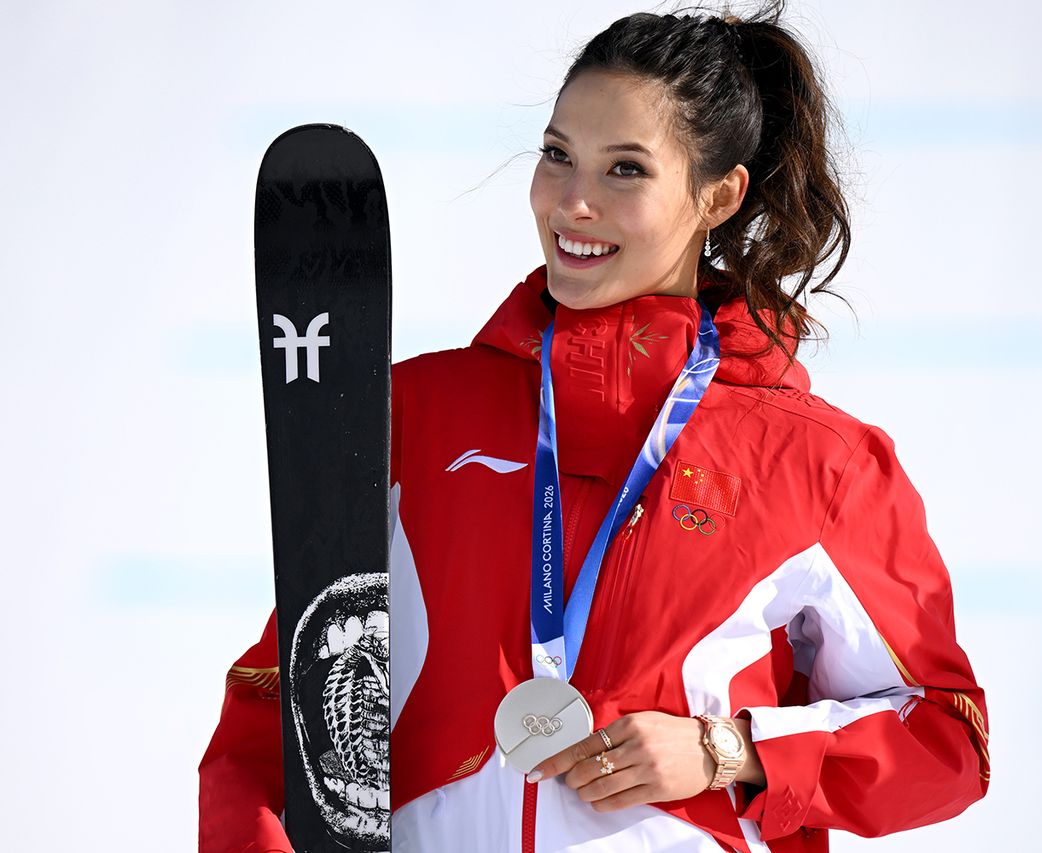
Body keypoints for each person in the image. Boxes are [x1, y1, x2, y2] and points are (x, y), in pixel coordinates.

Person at [199, 3, 991, 851]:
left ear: (718, 196)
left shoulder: (815, 462)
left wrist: (730, 751)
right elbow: (276, 706)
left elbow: (946, 740)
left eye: (625, 170)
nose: (572, 203)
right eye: (556, 155)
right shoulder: (416, 416)